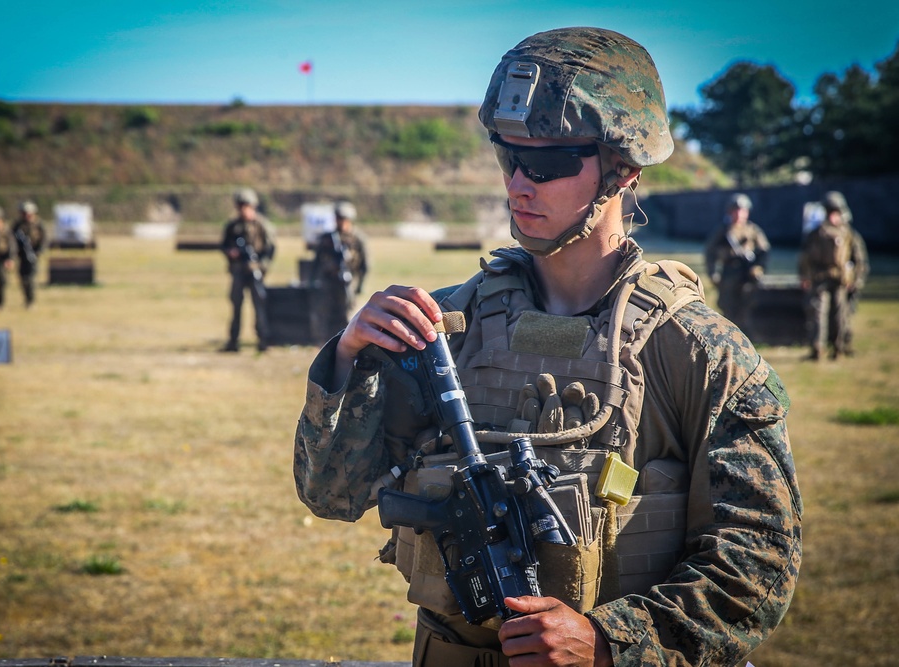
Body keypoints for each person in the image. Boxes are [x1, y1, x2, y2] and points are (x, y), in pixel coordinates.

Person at [294, 27, 801, 667]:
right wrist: (347, 360)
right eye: (509, 156)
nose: (517, 185)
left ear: (624, 169)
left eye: (549, 163)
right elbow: (331, 496)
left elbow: (759, 561)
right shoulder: (444, 325)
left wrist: (610, 642)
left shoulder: (701, 353)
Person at [798, 190, 869, 360]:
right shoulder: (815, 234)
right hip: (819, 278)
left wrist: (856, 280)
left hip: (840, 280)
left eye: (835, 212)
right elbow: (805, 257)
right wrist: (805, 276)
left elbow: (859, 259)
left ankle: (839, 347)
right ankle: (817, 349)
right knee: (817, 314)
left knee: (840, 315)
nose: (832, 217)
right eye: (829, 212)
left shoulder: (848, 233)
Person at [703, 193, 770, 333]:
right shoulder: (723, 231)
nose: (739, 214)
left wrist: (758, 268)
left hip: (747, 275)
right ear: (730, 212)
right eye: (736, 210)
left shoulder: (753, 230)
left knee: (746, 307)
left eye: (742, 211)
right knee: (727, 308)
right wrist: (713, 273)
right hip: (729, 274)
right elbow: (710, 252)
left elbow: (764, 251)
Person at [220, 188, 276, 352]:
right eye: (241, 206)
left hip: (255, 272)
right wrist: (231, 253)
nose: (244, 209)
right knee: (236, 305)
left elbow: (270, 249)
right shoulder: (232, 226)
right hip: (238, 271)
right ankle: (233, 341)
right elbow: (224, 245)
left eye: (247, 206)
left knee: (259, 306)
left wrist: (262, 266)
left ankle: (263, 341)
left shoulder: (262, 225)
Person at [310, 201, 369, 339]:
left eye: (343, 219)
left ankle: (349, 340)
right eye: (338, 218)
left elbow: (365, 265)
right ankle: (322, 340)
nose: (340, 222)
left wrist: (360, 286)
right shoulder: (327, 238)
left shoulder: (358, 239)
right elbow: (317, 261)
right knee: (323, 312)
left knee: (348, 313)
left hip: (349, 280)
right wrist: (313, 280)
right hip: (329, 280)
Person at [12, 200, 47, 308]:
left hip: (33, 255)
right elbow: (11, 239)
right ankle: (26, 298)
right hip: (21, 256)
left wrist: (39, 251)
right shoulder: (17, 225)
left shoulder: (38, 224)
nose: (26, 215)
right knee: (22, 278)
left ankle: (30, 300)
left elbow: (44, 239)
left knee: (31, 278)